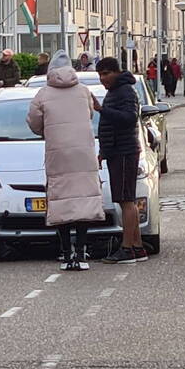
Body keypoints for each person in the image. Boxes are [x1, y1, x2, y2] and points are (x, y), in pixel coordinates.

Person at [26, 50, 103, 271]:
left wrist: (47, 131)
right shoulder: (83, 91)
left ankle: (66, 253)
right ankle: (82, 252)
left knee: (60, 199)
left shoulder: (43, 94)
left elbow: (33, 122)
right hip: (83, 154)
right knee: (83, 200)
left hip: (57, 152)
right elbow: (89, 115)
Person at [93, 57, 148, 264]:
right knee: (126, 200)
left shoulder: (124, 91)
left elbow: (129, 118)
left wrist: (101, 110)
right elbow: (112, 127)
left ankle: (126, 248)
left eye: (106, 74)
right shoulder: (116, 91)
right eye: (100, 75)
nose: (102, 79)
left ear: (116, 72)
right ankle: (137, 246)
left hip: (124, 152)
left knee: (126, 200)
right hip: (118, 151)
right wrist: (104, 152)